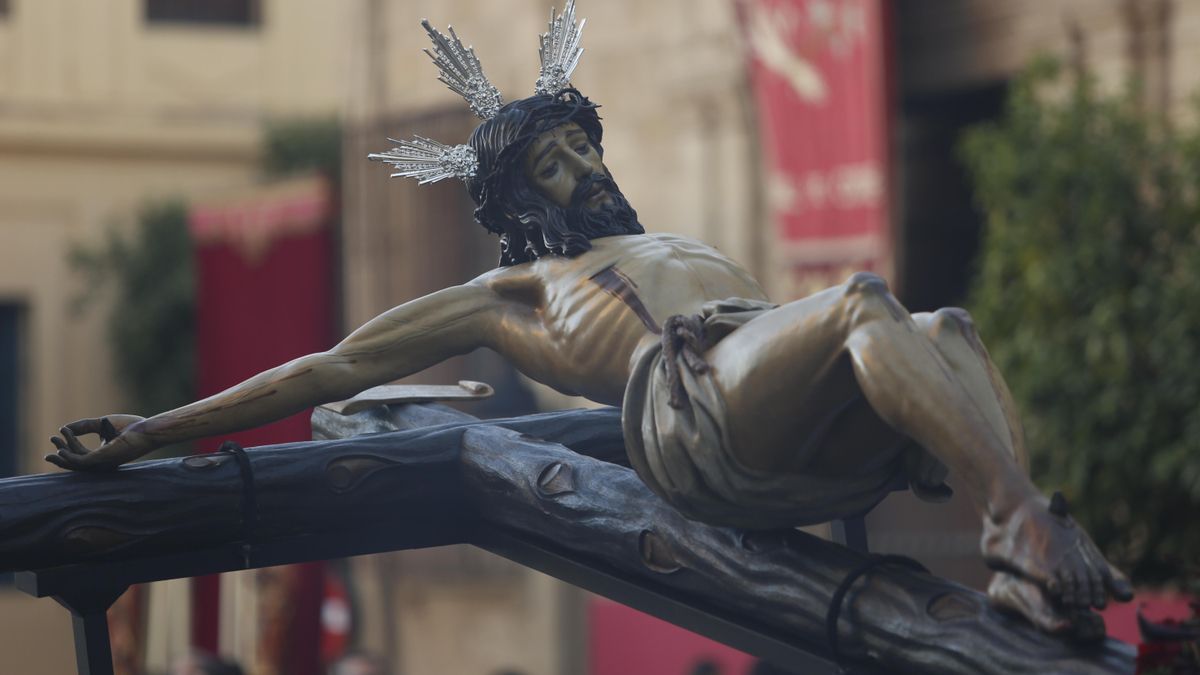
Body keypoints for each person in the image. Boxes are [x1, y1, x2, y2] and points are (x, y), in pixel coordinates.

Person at [47, 0, 1129, 639]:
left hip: (787, 414)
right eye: (553, 169)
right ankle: (1024, 517)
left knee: (945, 327)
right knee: (860, 299)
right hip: (695, 427)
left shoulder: (672, 243)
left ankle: (1020, 544)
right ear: (519, 207)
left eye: (582, 150)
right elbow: (328, 368)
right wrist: (149, 433)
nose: (582, 172)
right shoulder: (513, 294)